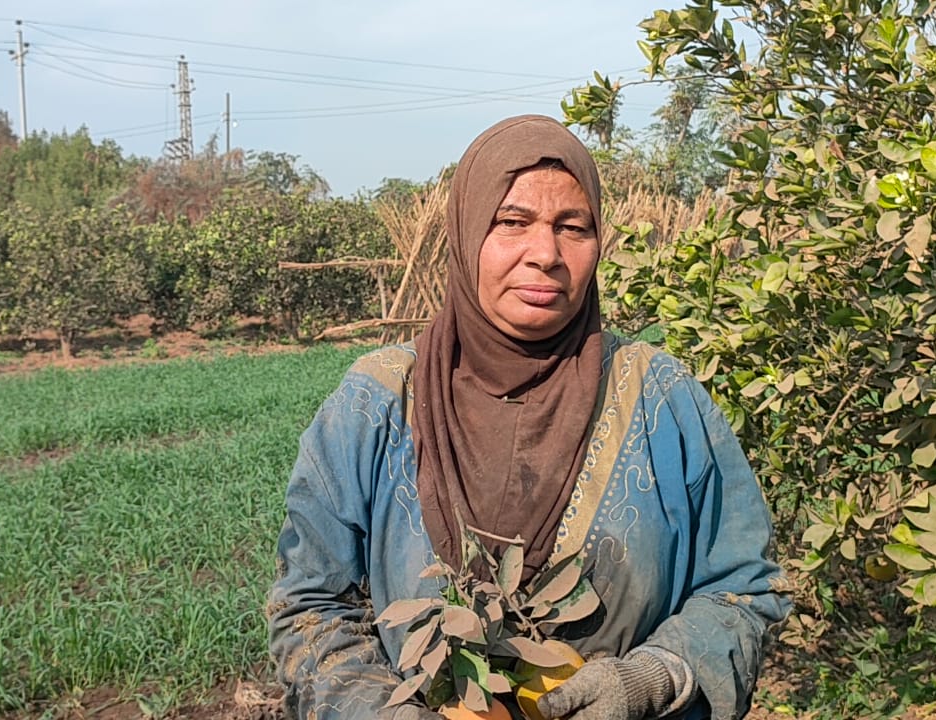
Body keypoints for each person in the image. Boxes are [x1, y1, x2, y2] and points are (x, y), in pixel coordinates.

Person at [266, 114, 791, 720]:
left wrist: (654, 677)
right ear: (466, 235)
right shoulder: (376, 404)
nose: (546, 254)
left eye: (574, 227)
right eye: (512, 223)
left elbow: (743, 587)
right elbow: (310, 607)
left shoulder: (661, 399)